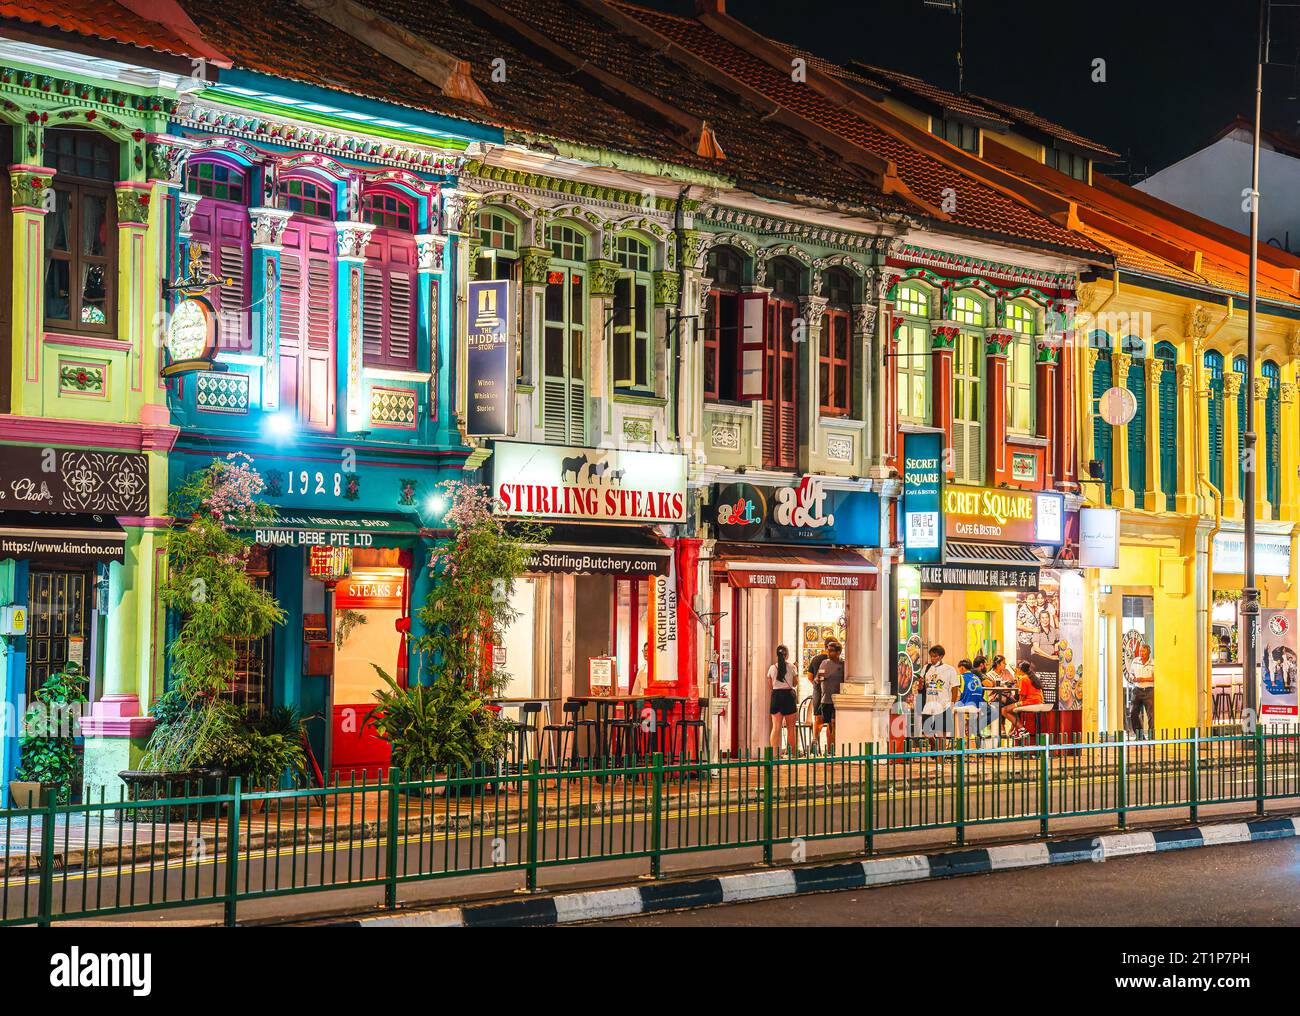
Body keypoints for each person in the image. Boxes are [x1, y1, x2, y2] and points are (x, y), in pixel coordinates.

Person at [921, 644, 958, 744]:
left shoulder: (950, 669)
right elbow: (921, 684)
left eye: (935, 656)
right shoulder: (926, 668)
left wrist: (952, 703)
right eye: (931, 656)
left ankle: (941, 757)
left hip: (943, 704)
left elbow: (955, 687)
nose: (932, 659)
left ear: (941, 657)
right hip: (929, 704)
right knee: (926, 731)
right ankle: (935, 746)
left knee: (941, 733)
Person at [767, 644, 799, 755]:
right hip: (788, 696)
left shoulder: (772, 668)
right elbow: (795, 683)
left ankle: (775, 755)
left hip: (776, 696)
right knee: (791, 728)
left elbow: (770, 686)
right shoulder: (792, 667)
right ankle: (793, 754)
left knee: (776, 727)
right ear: (787, 655)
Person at [814, 640, 845, 751]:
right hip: (825, 699)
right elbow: (818, 679)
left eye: (831, 650)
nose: (828, 652)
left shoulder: (843, 664)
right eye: (828, 649)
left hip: (838, 700)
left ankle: (834, 750)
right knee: (826, 724)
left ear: (838, 652)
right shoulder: (824, 663)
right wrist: (821, 678)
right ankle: (819, 745)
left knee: (834, 724)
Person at [806, 637, 834, 750]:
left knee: (818, 718)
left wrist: (816, 685)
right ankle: (830, 748)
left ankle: (815, 741)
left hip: (818, 692)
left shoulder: (816, 659)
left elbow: (810, 676)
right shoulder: (834, 660)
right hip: (831, 693)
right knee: (831, 720)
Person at [1004, 661, 1044, 739]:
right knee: (1014, 709)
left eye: (1017, 668)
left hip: (1030, 702)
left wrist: (1017, 704)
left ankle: (1023, 730)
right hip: (1039, 702)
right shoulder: (1033, 677)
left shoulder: (1024, 678)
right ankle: (1018, 730)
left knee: (1004, 710)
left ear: (1020, 669)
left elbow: (1022, 697)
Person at [1128, 642, 1154, 736]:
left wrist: (1143, 679)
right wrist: (1132, 678)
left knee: (1151, 715)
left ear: (1148, 652)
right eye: (1140, 651)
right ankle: (1139, 735)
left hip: (1149, 690)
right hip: (1137, 689)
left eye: (1143, 651)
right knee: (1133, 713)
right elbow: (1131, 674)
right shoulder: (1135, 661)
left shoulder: (1153, 663)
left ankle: (1152, 736)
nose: (1141, 653)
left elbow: (1155, 678)